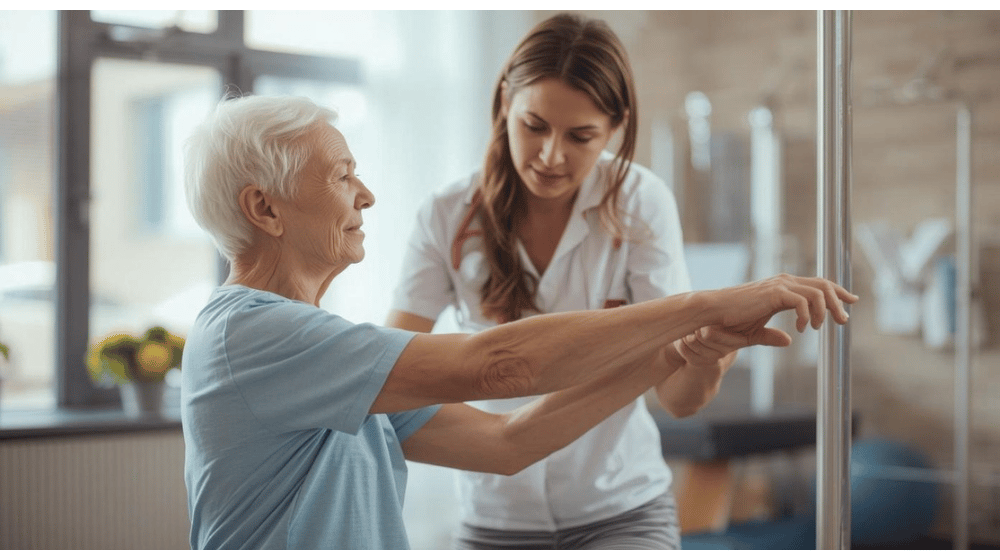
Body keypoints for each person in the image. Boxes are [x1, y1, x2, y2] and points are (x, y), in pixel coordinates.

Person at [181, 93, 856, 550]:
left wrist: (674, 350)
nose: (367, 194)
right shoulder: (250, 334)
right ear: (265, 210)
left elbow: (507, 442)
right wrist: (707, 303)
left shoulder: (334, 358)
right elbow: (501, 367)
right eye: (340, 176)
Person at [387, 13, 761, 549]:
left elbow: (680, 400)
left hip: (622, 511)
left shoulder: (641, 202)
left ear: (615, 128)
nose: (551, 156)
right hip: (495, 519)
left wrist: (706, 355)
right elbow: (400, 374)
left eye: (580, 136)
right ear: (503, 105)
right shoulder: (446, 215)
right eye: (533, 125)